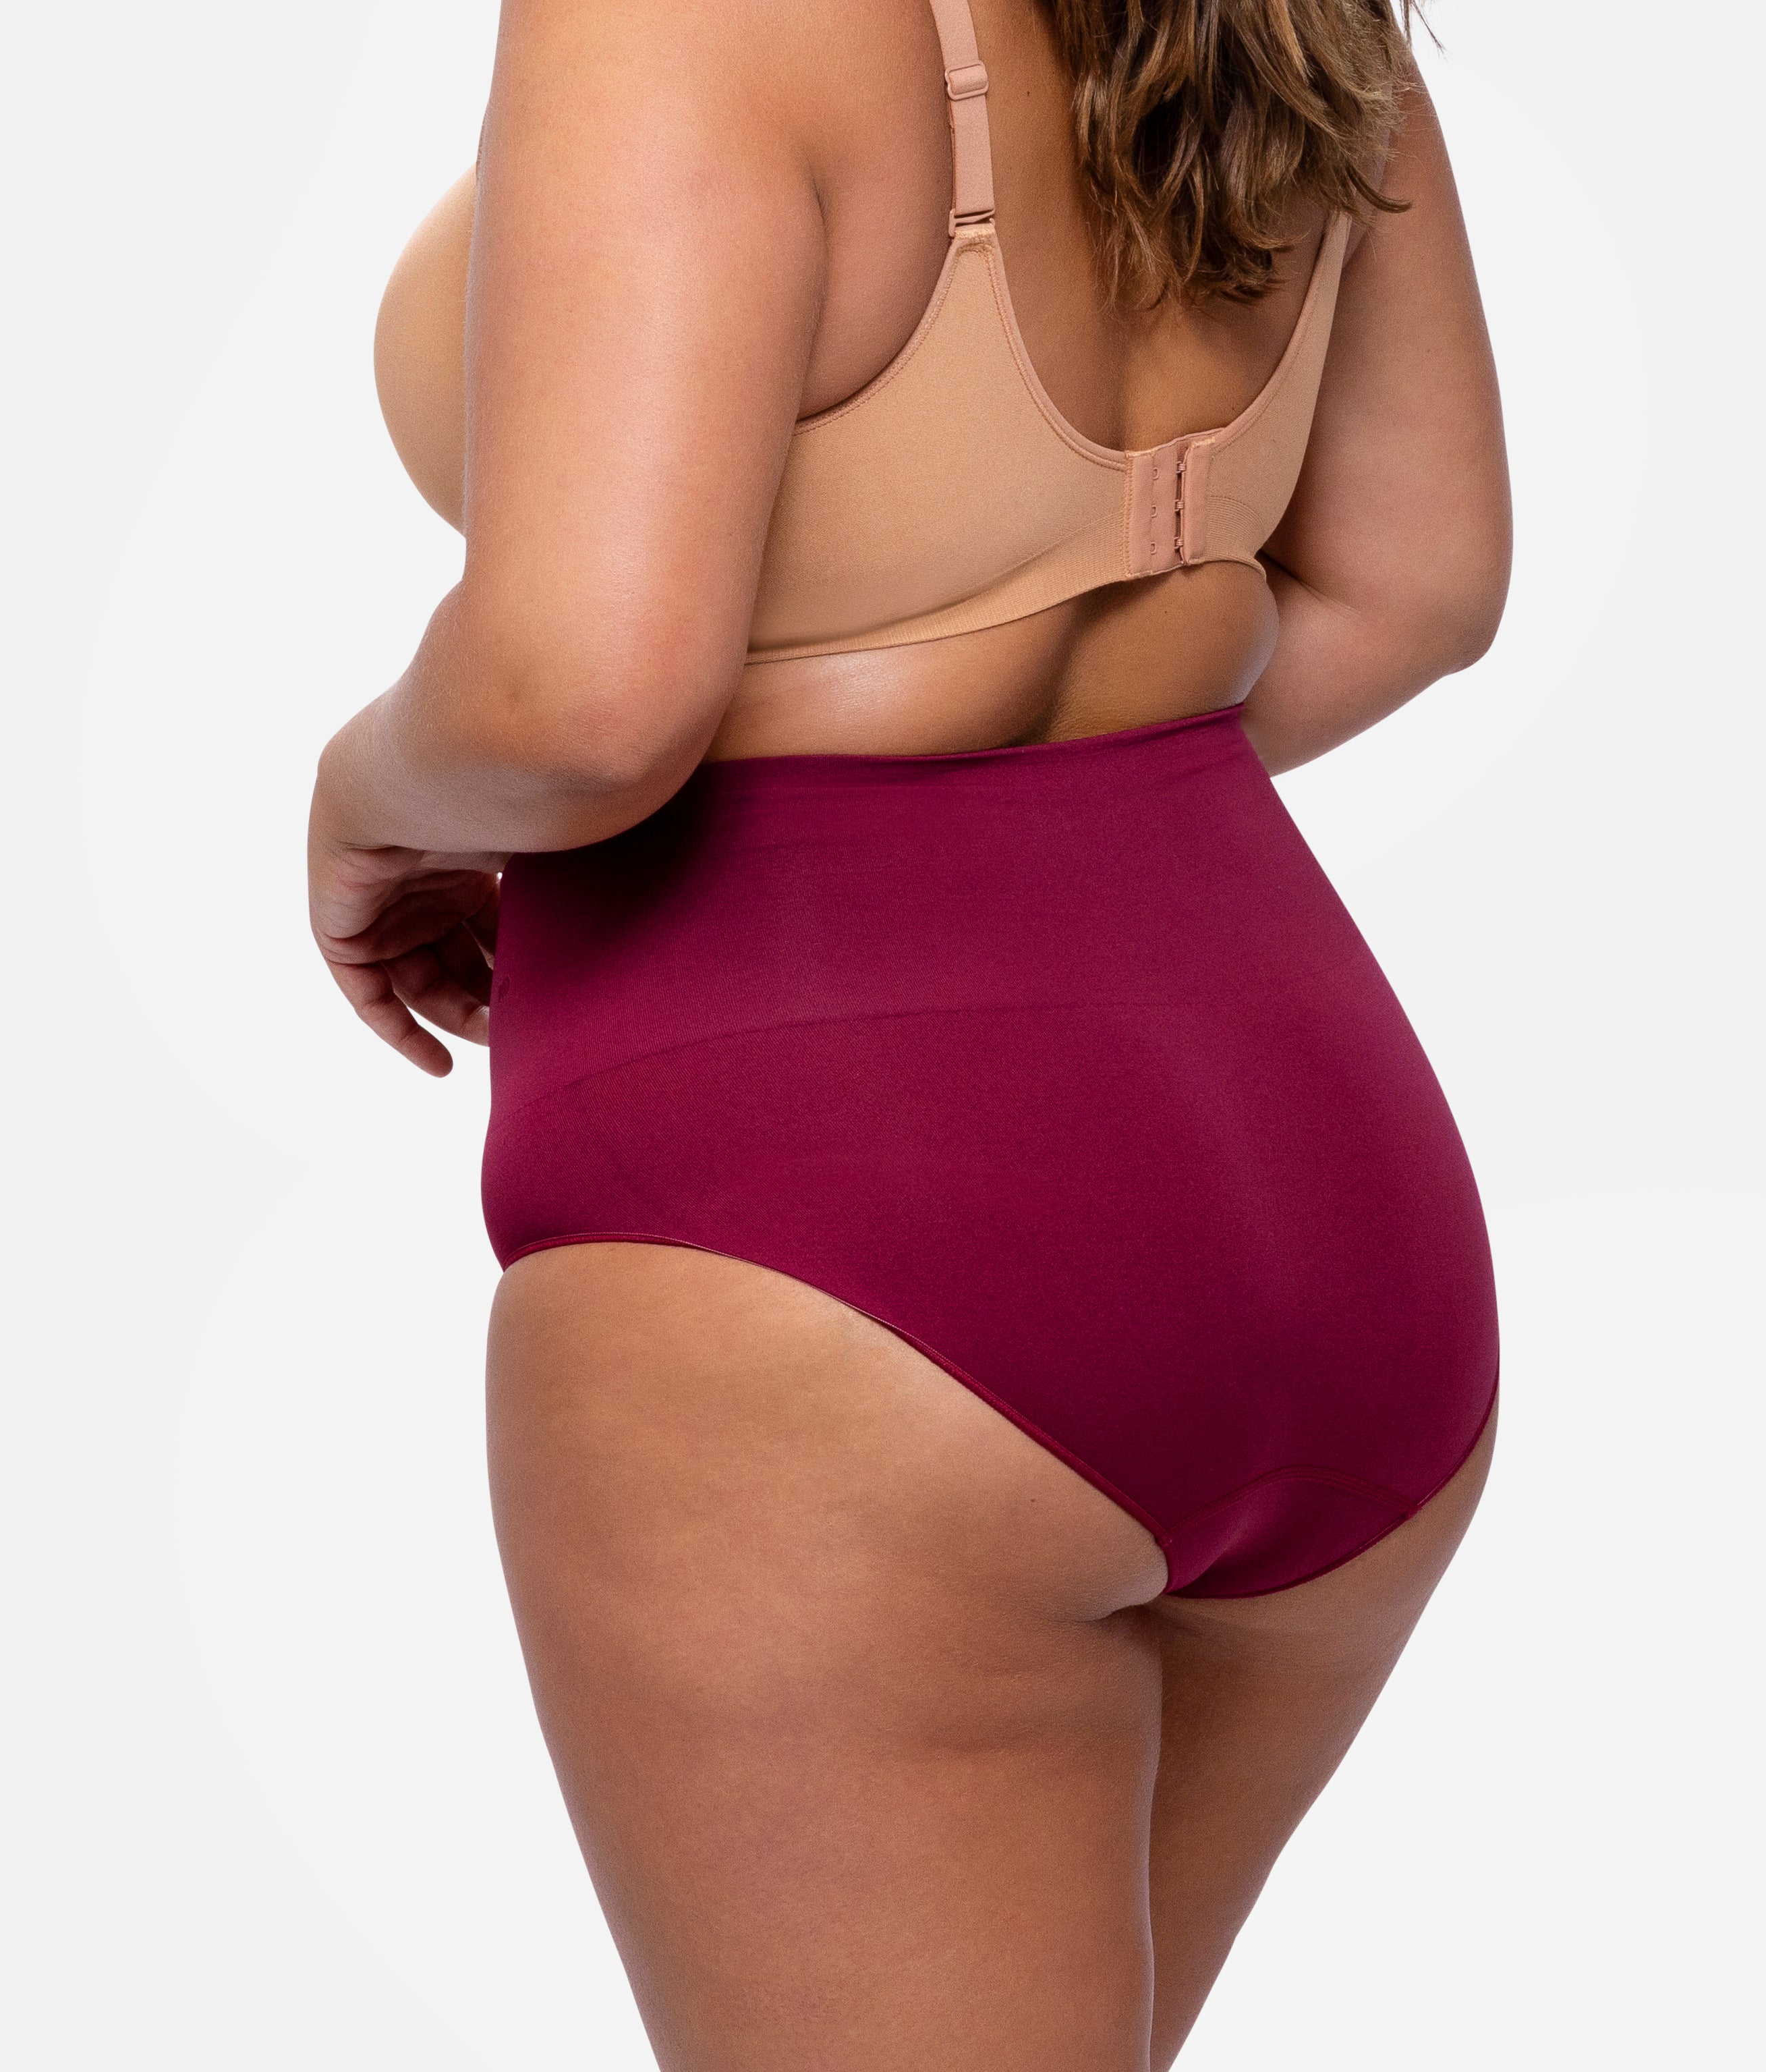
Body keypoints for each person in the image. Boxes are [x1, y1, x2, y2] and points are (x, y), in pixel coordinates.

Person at [310, 1, 1510, 2063]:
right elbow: (1419, 585)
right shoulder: (1295, 9)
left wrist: (366, 803)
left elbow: (580, 698)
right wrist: (1026, 823)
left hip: (837, 1237)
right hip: (1319, 1168)